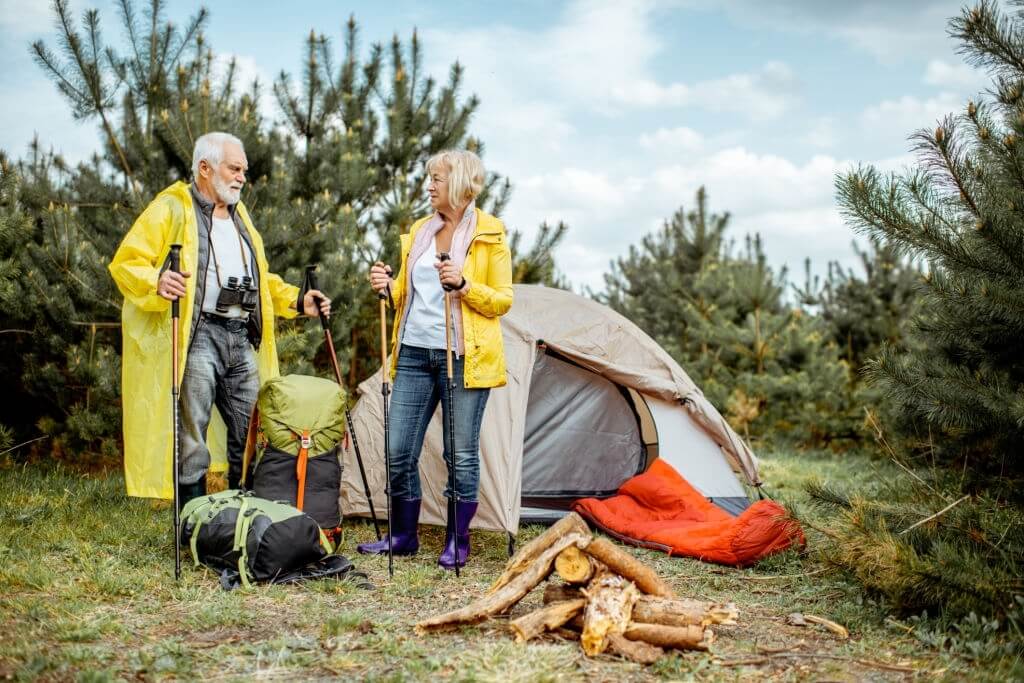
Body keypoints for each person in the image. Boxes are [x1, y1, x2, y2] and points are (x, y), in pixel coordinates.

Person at [109, 131, 330, 508]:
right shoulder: (172, 208)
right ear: (205, 168)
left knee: (251, 429)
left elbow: (260, 279)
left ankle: (243, 510)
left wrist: (297, 299)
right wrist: (157, 280)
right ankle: (192, 515)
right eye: (235, 168)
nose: (242, 177)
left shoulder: (241, 216)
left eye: (244, 170)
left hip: (240, 336)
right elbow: (126, 262)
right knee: (191, 429)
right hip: (198, 333)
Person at [357, 149, 513, 570]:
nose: (429, 186)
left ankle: (456, 541)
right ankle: (403, 536)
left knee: (459, 453)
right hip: (412, 352)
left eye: (436, 179)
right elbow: (406, 294)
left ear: (459, 183)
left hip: (463, 357)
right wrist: (387, 285)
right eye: (429, 178)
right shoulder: (421, 232)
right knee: (397, 449)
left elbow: (503, 300)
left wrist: (464, 285)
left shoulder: (490, 235)